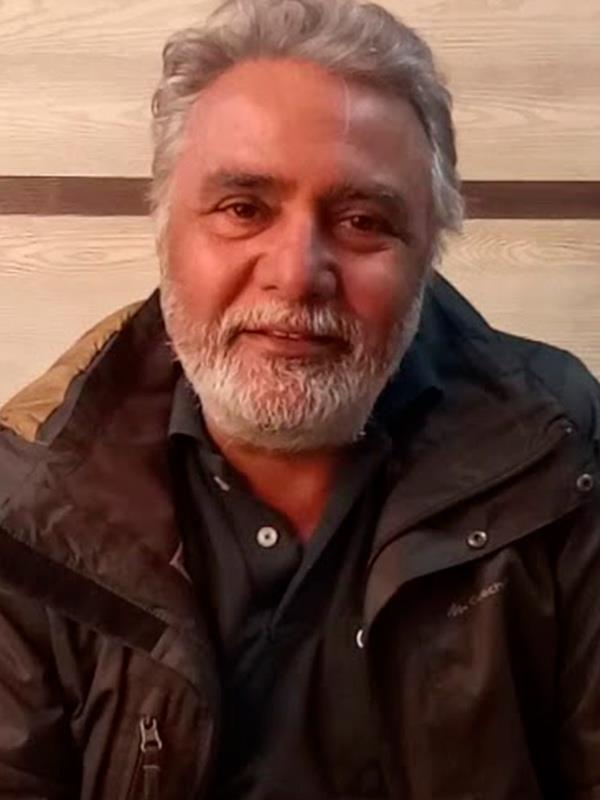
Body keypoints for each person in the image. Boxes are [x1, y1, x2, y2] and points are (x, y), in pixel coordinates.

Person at [0, 0, 598, 796]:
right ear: (166, 231)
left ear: (429, 252)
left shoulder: (561, 450)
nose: (295, 274)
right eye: (243, 209)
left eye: (362, 220)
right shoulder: (28, 505)